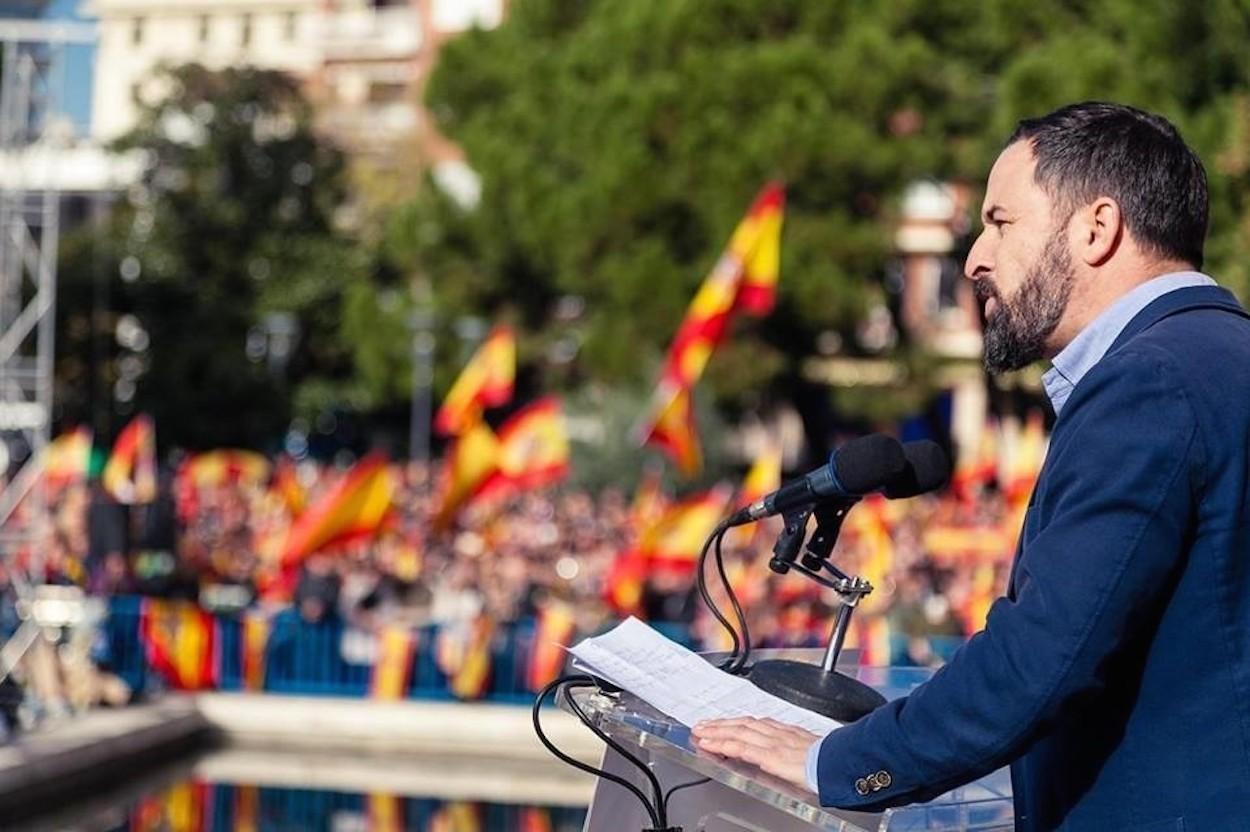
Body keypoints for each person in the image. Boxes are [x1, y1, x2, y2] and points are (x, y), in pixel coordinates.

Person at [692, 101, 1250, 830]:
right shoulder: (1221, 359)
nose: (975, 259)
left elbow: (1043, 658)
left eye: (1000, 222)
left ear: (1097, 228)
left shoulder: (1149, 382)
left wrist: (830, 761)